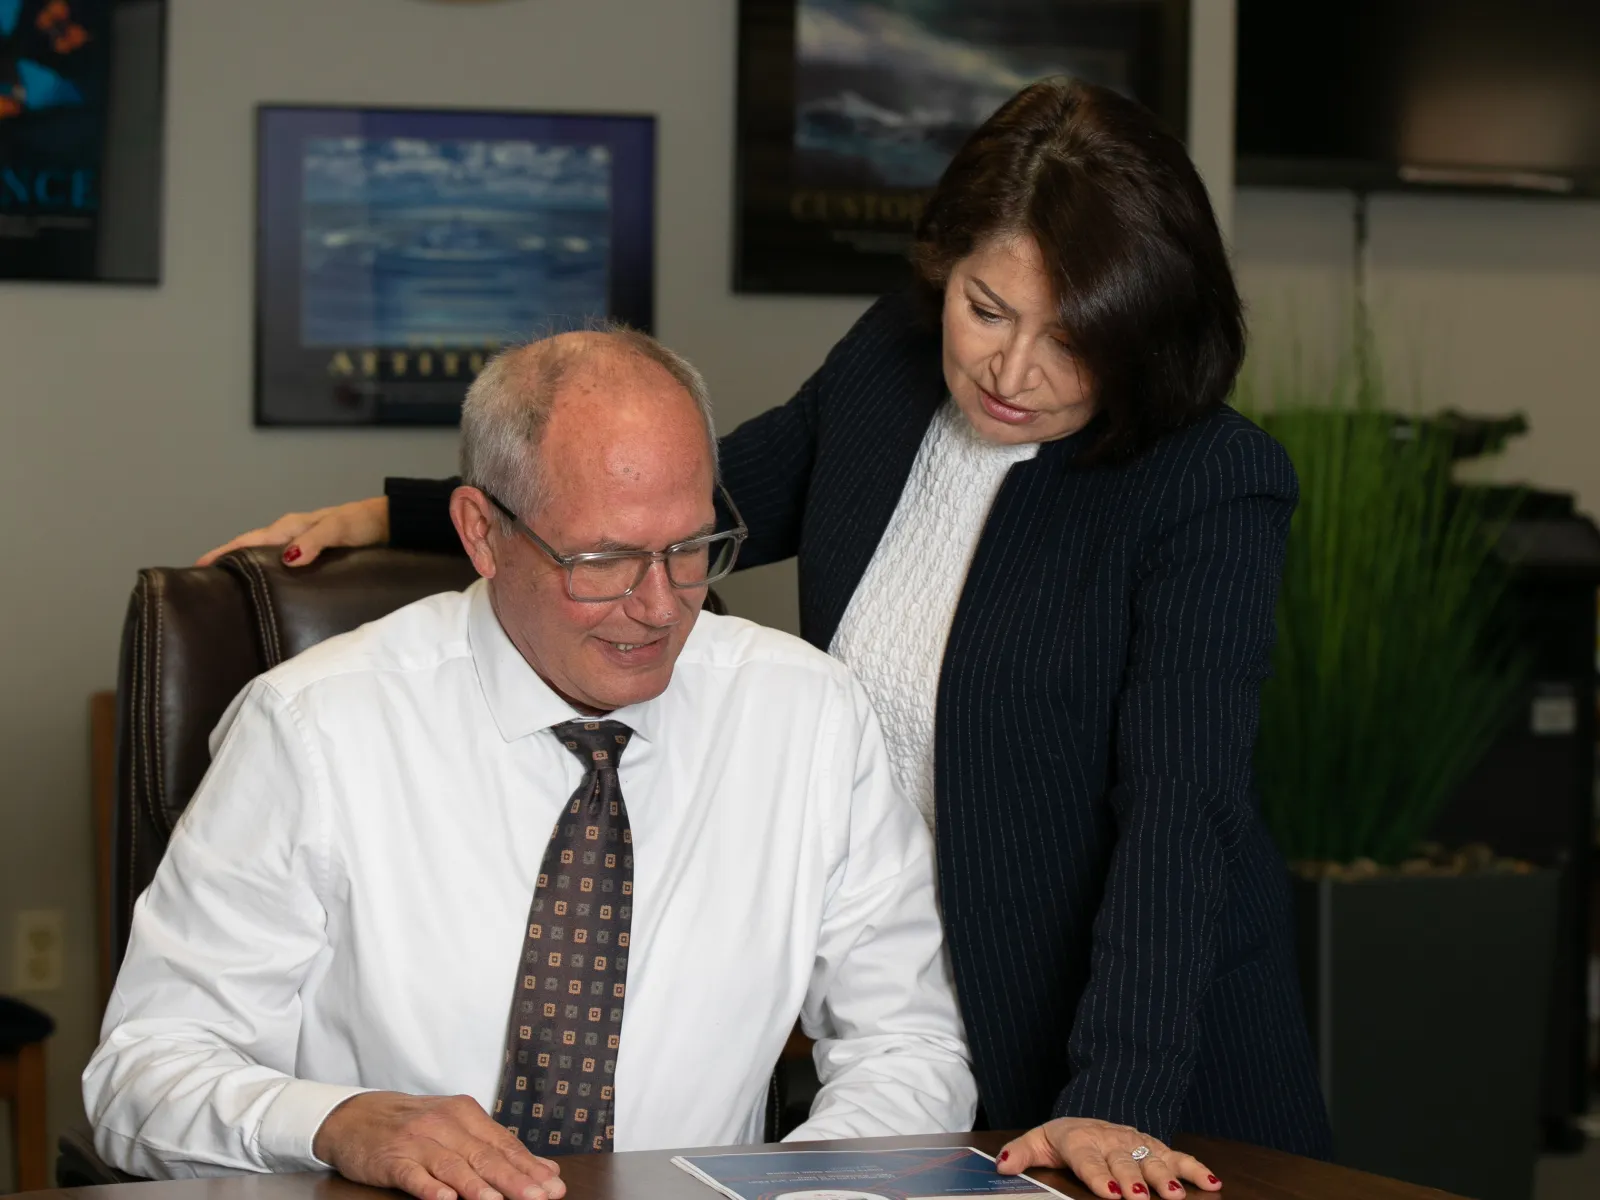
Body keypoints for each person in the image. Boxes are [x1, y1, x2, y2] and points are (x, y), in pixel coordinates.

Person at [205, 78, 1333, 1198]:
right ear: (942, 266)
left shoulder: (1210, 484)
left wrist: (1116, 1094)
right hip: (933, 1051)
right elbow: (683, 509)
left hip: (1143, 1065)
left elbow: (1180, 816)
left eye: (1075, 335)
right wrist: (407, 514)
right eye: (987, 309)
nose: (1013, 369)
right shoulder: (892, 368)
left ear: (1147, 319)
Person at [88, 330, 983, 1198]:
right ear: (481, 532)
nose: (659, 606)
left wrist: (813, 1194)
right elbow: (141, 1074)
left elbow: (907, 1046)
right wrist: (334, 1123)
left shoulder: (810, 719)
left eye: (689, 550)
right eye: (603, 560)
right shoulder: (316, 729)